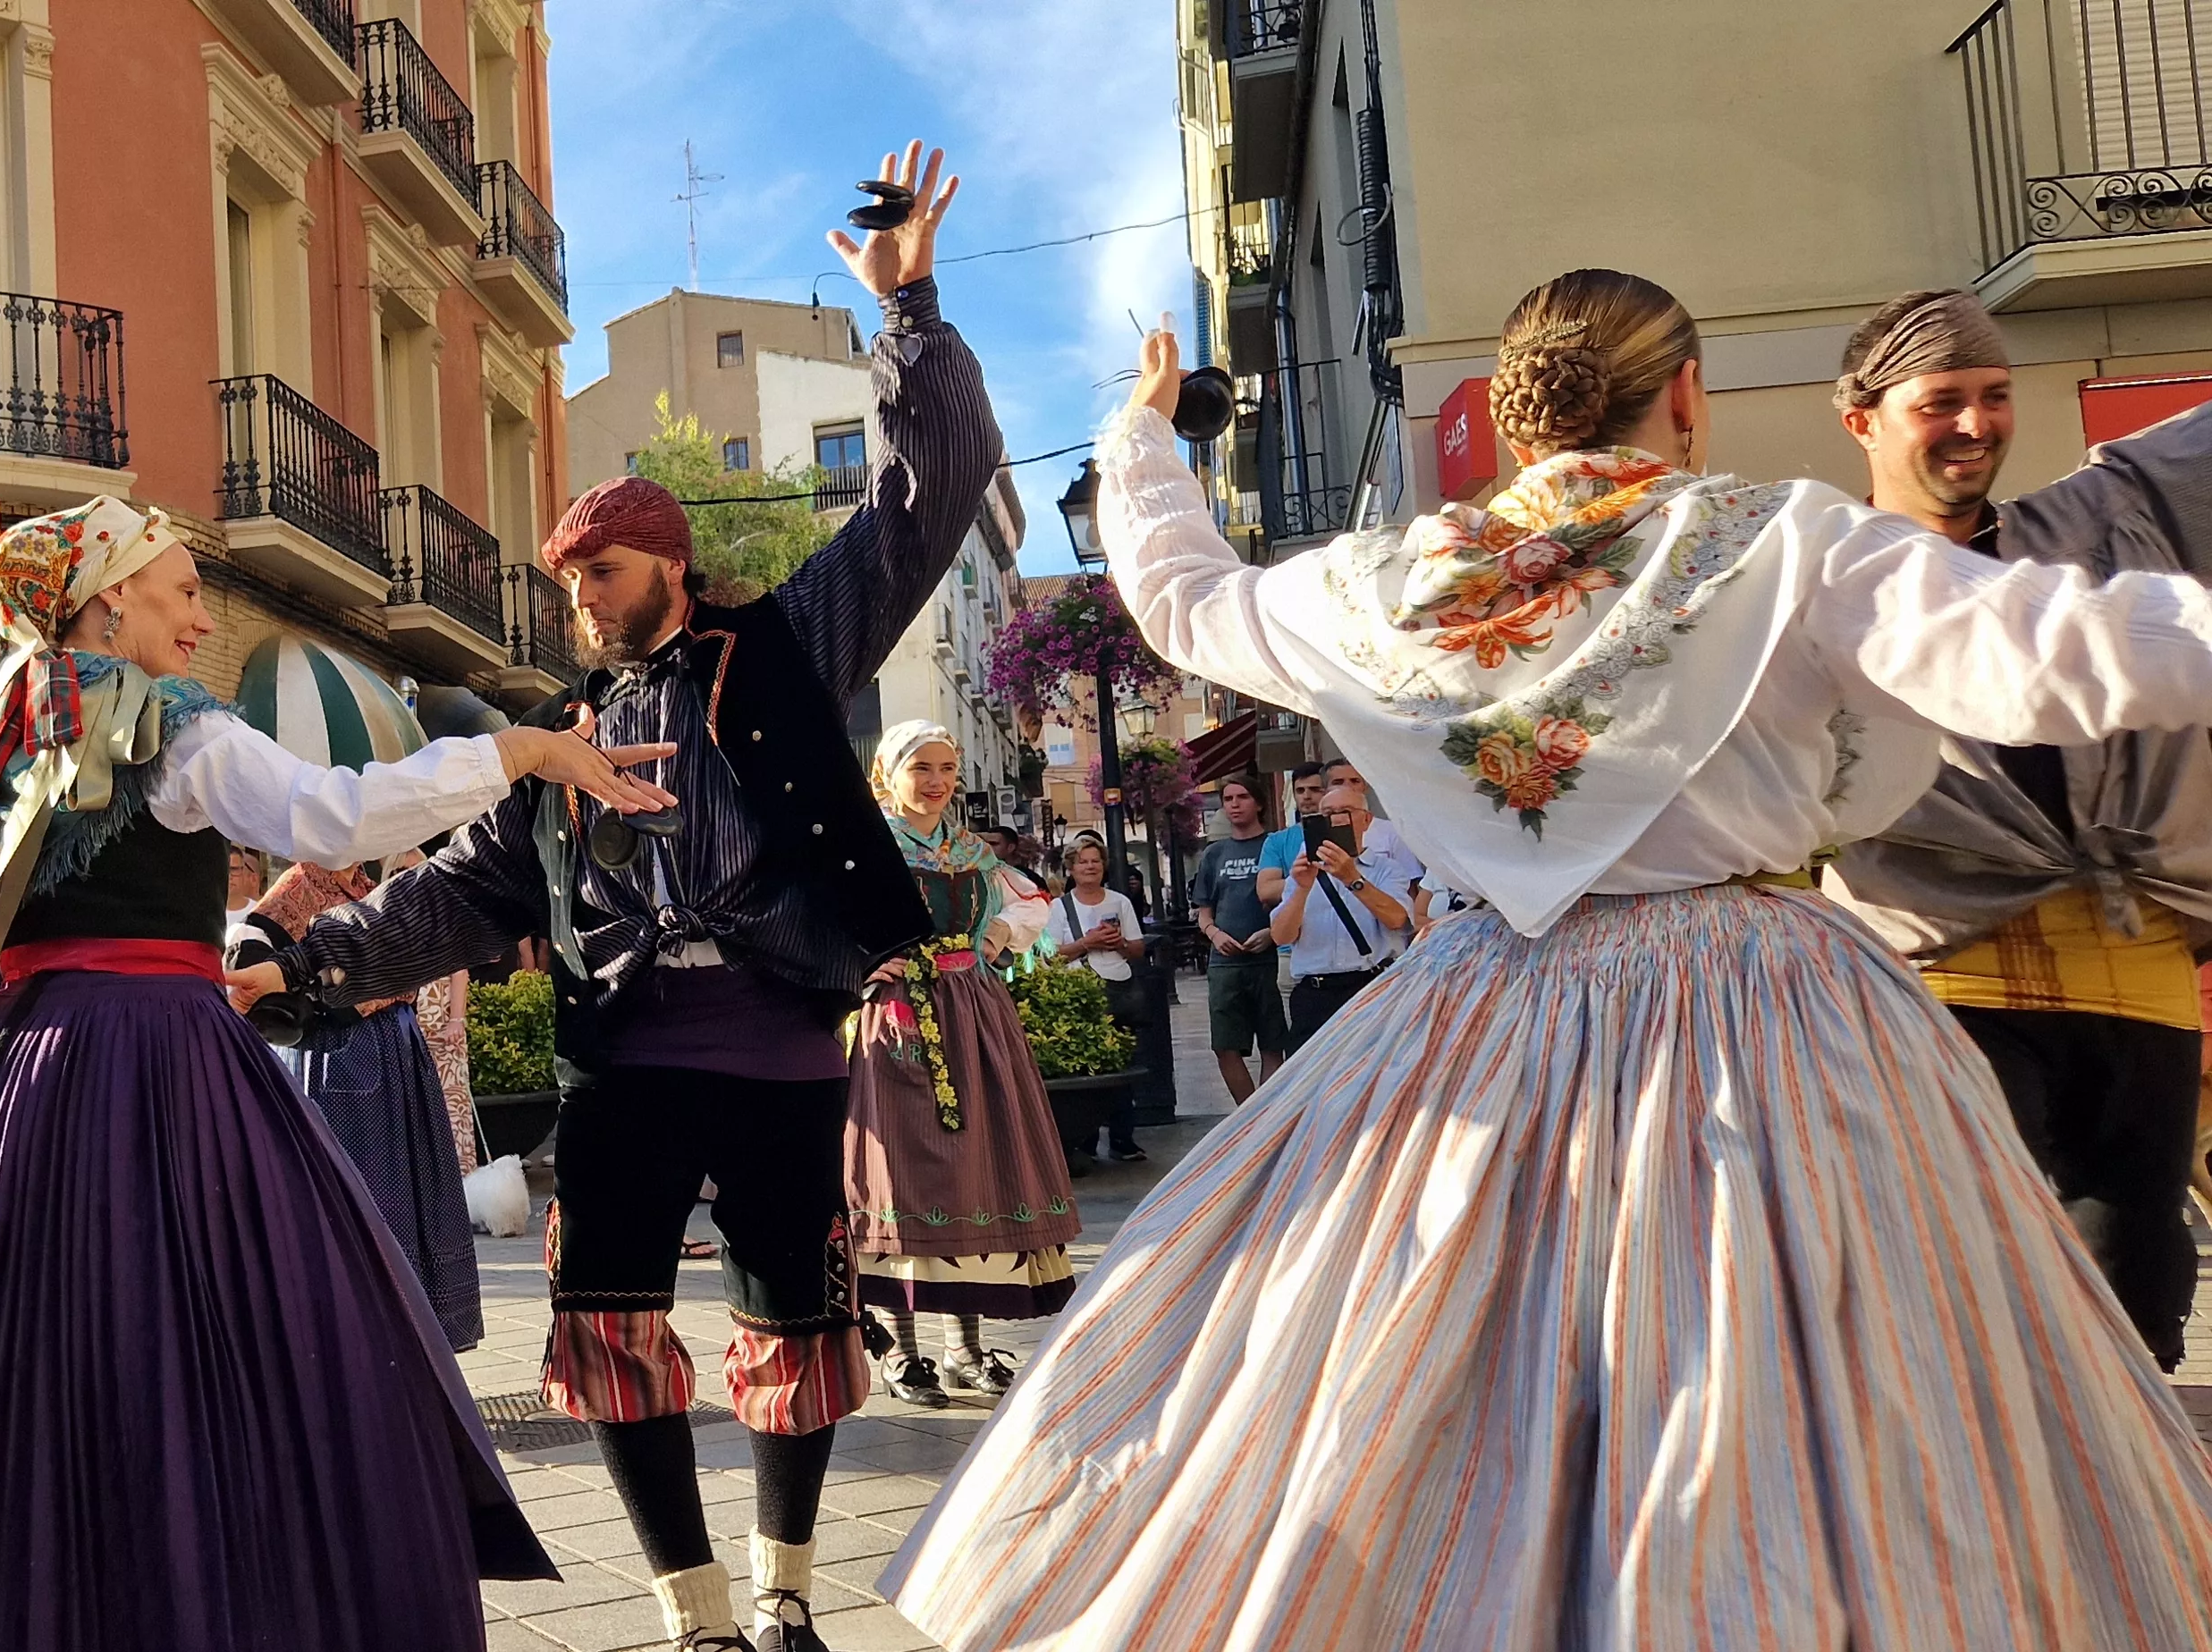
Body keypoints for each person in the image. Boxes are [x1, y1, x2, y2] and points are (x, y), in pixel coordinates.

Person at [884, 274, 2212, 1648]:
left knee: (1419, 1376)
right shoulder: (1785, 541)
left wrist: (1147, 439)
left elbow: (1184, 600)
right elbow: (2053, 654)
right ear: (1686, 394)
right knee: (1795, 1373)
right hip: (1762, 1006)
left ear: (1519, 424)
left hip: (1480, 1006)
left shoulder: (1390, 581)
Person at [0, 490, 675, 1651]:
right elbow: (333, 817)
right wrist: (524, 748)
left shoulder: (5, 726)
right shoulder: (170, 726)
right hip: (158, 1058)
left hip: (14, 1069)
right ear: (110, 603)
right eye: (179, 591)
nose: (201, 616)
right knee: (229, 1334)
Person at [255, 141, 997, 1652]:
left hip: (785, 1041)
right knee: (605, 1329)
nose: (578, 600)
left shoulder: (786, 647)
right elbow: (457, 894)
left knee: (799, 1325)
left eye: (598, 573)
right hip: (628, 1062)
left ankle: (785, 1595)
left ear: (665, 561)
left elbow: (932, 498)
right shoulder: (563, 740)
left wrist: (906, 308)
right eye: (572, 580)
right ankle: (697, 1618)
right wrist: (300, 963)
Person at [1819, 289, 2212, 1370]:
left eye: (1994, 397)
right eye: (1940, 401)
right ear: (1862, 418)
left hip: (2133, 960)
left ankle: (2120, 1522)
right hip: (1942, 973)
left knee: (2136, 1293)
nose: (1976, 424)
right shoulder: (1816, 575)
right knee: (1978, 1277)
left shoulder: (2098, 523)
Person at [846, 722, 1079, 1412]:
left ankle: (964, 1351)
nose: (938, 780)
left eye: (947, 766)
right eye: (922, 766)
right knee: (909, 1176)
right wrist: (858, 964)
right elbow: (811, 909)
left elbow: (1031, 901)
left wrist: (1001, 937)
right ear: (888, 774)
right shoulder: (866, 844)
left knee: (973, 1169)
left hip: (974, 1015)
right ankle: (903, 1351)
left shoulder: (973, 851)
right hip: (898, 1020)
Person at [242, 854, 489, 1351]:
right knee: (366, 1197)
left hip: (397, 1049)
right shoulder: (292, 890)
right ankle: (369, 1340)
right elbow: (253, 974)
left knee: (413, 1190)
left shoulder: (361, 883)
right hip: (342, 1060)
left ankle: (419, 1340)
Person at [1264, 773, 1418, 1041]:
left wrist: (1352, 878)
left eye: (1345, 812)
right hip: (1315, 994)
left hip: (1371, 987)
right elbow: (1281, 936)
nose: (1334, 820)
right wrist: (1301, 889)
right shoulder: (1302, 872)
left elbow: (1398, 920)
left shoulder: (1386, 870)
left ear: (1366, 820)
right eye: (1327, 813)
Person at [1043, 839, 1144, 1167]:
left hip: (1118, 990)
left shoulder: (1120, 902)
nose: (1090, 867)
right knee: (1085, 1069)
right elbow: (1050, 955)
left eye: (1096, 861)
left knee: (1122, 1066)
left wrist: (1121, 943)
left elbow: (1139, 948)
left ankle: (1122, 1137)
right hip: (1080, 995)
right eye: (1083, 862)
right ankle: (1084, 1140)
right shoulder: (1060, 908)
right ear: (1071, 869)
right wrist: (1086, 943)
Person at [1189, 772, 1287, 1100]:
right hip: (1225, 964)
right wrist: (1214, 934)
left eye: (1242, 797)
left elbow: (1297, 900)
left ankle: (1268, 1116)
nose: (1234, 805)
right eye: (1228, 799)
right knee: (1225, 1047)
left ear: (1258, 803)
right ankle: (1249, 1118)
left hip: (1269, 960)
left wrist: (1273, 934)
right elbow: (1204, 910)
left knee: (1274, 1043)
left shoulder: (1276, 845)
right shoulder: (1214, 854)